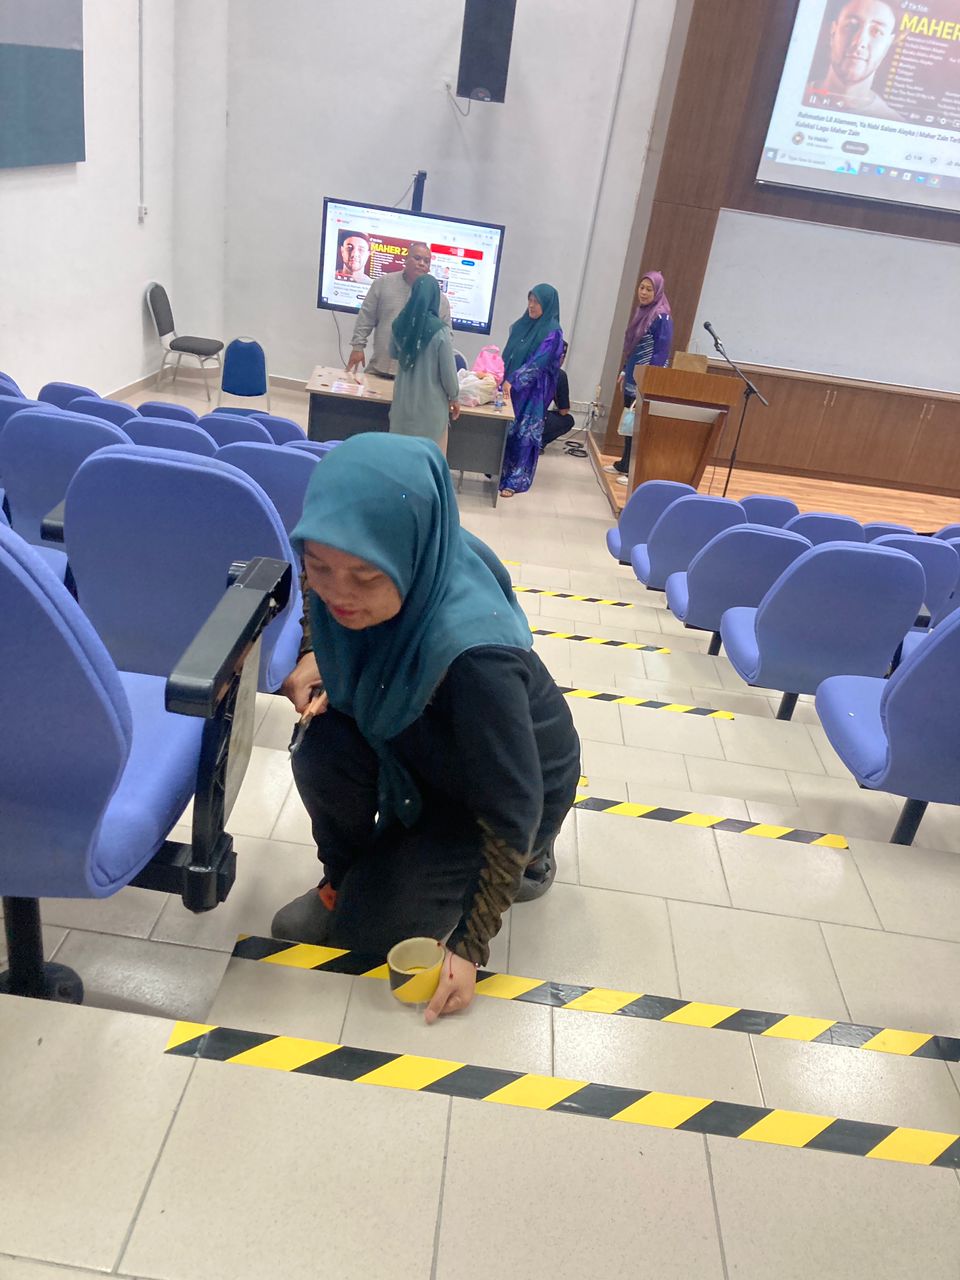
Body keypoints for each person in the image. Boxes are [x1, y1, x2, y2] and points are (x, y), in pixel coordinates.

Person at [271, 435, 581, 1022]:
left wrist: (469, 947)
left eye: (365, 577)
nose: (338, 592)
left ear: (410, 555)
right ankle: (346, 875)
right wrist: (319, 654)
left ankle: (533, 862)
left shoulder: (476, 660)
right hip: (425, 738)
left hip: (503, 788)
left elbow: (514, 803)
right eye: (319, 566)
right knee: (321, 746)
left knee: (366, 936)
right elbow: (317, 601)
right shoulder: (374, 563)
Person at [604, 271, 673, 486]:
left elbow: (661, 352)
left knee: (640, 427)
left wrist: (649, 381)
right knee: (630, 421)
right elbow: (634, 347)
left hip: (647, 379)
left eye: (649, 289)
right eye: (641, 288)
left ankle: (635, 472)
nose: (643, 292)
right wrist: (625, 370)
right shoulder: (642, 312)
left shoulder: (662, 316)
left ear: (658, 291)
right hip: (634, 374)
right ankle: (625, 464)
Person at [346, 241, 452, 378]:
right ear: (405, 260)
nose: (422, 263)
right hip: (379, 368)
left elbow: (447, 337)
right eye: (417, 258)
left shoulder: (440, 300)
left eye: (426, 261)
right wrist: (357, 347)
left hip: (413, 378)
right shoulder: (383, 283)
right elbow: (366, 317)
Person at [498, 284, 565, 497]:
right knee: (507, 429)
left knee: (524, 433)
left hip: (533, 392)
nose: (531, 305)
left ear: (547, 304)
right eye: (530, 300)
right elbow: (509, 353)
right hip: (511, 388)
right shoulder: (523, 325)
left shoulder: (552, 331)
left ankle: (515, 480)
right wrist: (500, 375)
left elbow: (539, 363)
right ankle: (499, 472)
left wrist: (515, 380)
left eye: (537, 302)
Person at [389, 274, 461, 456]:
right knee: (429, 462)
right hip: (431, 413)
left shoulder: (399, 324)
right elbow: (448, 374)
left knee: (400, 459)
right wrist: (455, 397)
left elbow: (393, 353)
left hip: (402, 409)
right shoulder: (440, 331)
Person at [805, 0, 903, 121]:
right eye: (851, 25)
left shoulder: (894, 121)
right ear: (833, 31)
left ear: (888, 43)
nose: (859, 42)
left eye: (877, 31)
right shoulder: (792, 96)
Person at [540, 341, 573, 451]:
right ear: (561, 357)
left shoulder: (529, 366)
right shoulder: (559, 375)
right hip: (536, 420)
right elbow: (563, 411)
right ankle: (538, 443)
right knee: (568, 420)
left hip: (514, 416)